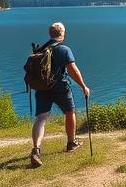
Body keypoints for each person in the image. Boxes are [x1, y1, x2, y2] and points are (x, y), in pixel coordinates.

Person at [29, 21, 90, 168]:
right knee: (70, 112)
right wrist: (83, 86)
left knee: (41, 118)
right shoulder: (64, 49)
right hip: (60, 87)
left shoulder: (41, 49)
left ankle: (36, 150)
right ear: (62, 33)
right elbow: (73, 70)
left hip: (42, 88)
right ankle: (71, 143)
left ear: (50, 34)